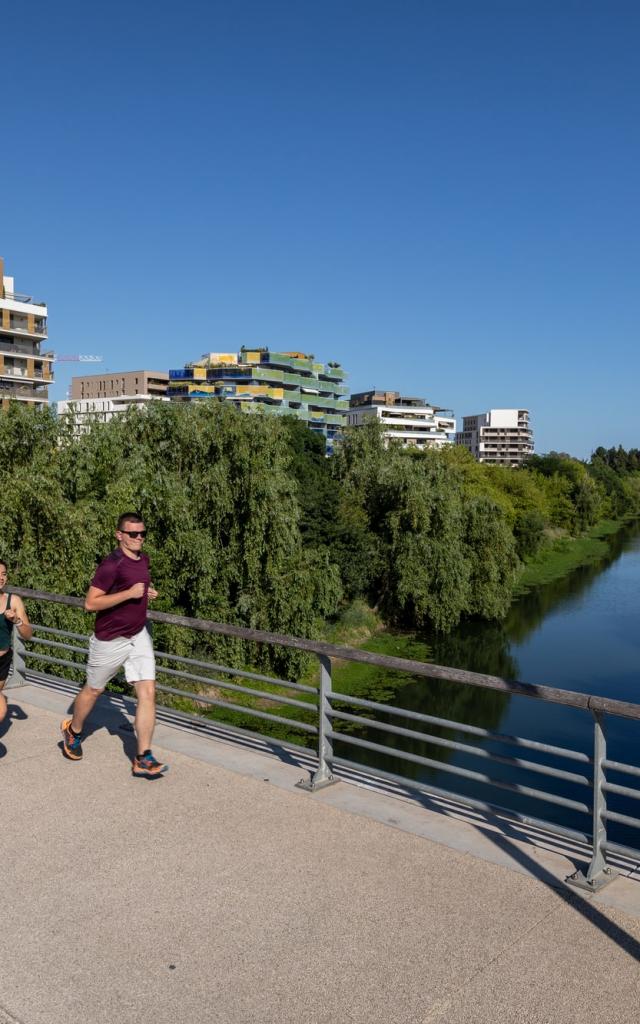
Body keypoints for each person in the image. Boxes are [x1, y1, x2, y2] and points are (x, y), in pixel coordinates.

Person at [60, 513, 168, 777]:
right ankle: (73, 730)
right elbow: (90, 603)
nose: (139, 538)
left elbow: (137, 584)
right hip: (110, 640)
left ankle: (143, 756)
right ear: (119, 535)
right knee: (94, 690)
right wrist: (129, 594)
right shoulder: (111, 564)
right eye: (133, 534)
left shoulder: (143, 559)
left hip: (138, 635)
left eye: (143, 533)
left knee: (148, 692)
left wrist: (145, 592)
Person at [0, 561, 33, 726]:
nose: (1, 578)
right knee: (1, 710)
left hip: (3, 660)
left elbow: (28, 635)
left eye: (4, 574)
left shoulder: (13, 601)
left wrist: (16, 620)